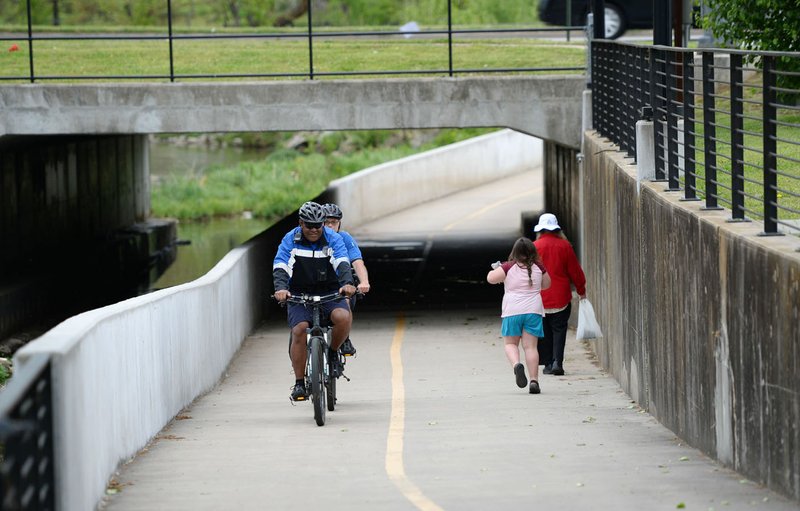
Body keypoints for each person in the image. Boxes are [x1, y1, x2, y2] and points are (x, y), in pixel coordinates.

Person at [273, 201, 357, 401]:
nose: (313, 230)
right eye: (309, 225)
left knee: (343, 317)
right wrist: (281, 289)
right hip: (299, 292)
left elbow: (342, 261)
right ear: (301, 223)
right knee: (299, 329)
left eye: (318, 225)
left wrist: (347, 284)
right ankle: (300, 383)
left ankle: (333, 351)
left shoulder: (333, 238)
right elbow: (282, 264)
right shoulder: (290, 239)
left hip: (329, 290)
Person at [486, 237, 551, 394]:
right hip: (533, 311)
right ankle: (534, 381)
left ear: (514, 252)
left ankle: (517, 365)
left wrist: (498, 269)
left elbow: (490, 278)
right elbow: (547, 284)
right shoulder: (539, 268)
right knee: (531, 347)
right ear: (532, 252)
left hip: (512, 311)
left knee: (510, 344)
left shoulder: (508, 267)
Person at [533, 213, 586, 376]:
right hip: (561, 297)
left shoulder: (534, 247)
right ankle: (558, 362)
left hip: (540, 297)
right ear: (556, 229)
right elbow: (575, 272)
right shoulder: (565, 246)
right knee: (559, 330)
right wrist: (581, 290)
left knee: (544, 331)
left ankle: (548, 363)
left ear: (540, 230)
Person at [322, 203, 370, 357]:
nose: (330, 226)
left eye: (333, 222)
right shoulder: (314, 238)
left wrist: (364, 282)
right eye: (326, 222)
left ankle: (345, 337)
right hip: (317, 284)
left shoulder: (344, 238)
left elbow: (357, 262)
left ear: (339, 223)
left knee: (346, 299)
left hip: (340, 284)